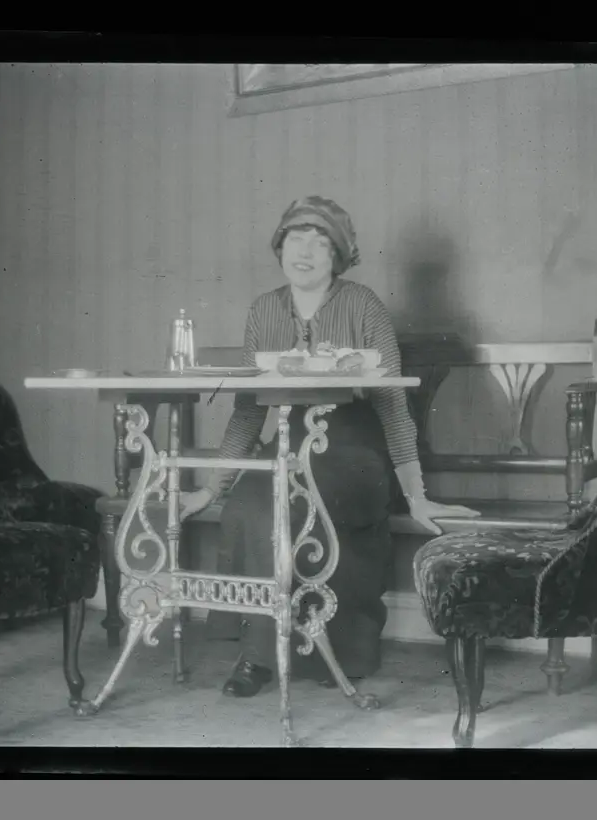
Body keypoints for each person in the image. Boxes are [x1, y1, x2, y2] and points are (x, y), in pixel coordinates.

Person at [178, 196, 479, 698]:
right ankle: (258, 653)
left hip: (354, 448)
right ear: (279, 248)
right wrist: (212, 489)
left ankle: (332, 650)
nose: (306, 252)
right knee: (251, 504)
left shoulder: (364, 305)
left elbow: (393, 406)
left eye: (320, 243)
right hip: (288, 444)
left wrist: (416, 496)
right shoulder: (264, 310)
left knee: (304, 501)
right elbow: (249, 411)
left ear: (338, 256)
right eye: (296, 239)